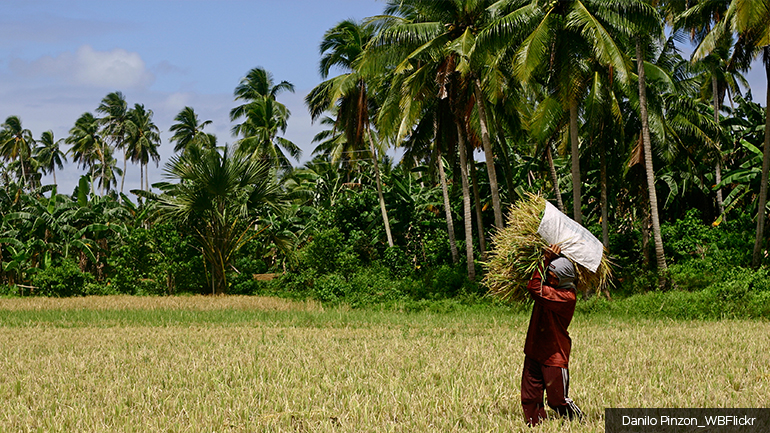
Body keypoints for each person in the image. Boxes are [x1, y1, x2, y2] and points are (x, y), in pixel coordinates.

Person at [520, 244, 584, 426]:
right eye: (548, 275)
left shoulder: (566, 297)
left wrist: (546, 258)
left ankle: (579, 421)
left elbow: (534, 287)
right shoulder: (550, 286)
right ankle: (535, 425)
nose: (549, 279)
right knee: (530, 396)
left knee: (557, 400)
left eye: (554, 278)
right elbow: (535, 282)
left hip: (554, 354)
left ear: (565, 280)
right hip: (534, 348)